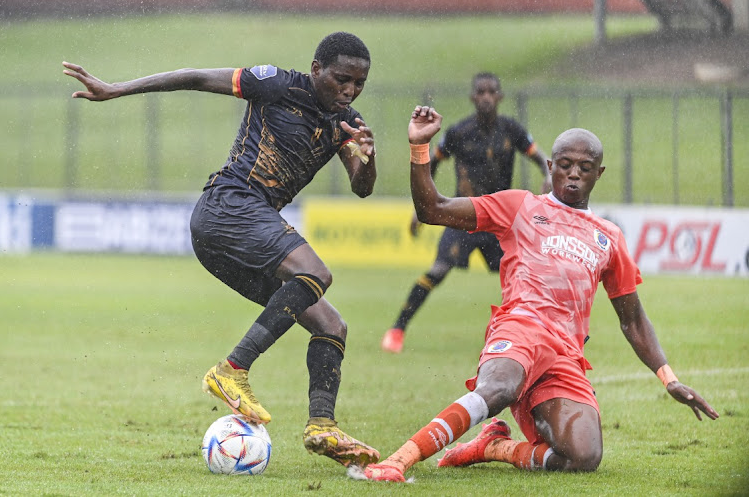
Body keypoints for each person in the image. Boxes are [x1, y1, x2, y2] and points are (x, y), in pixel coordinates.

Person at [63, 31, 381, 468]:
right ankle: (232, 369)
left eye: (358, 83)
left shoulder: (345, 122)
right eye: (341, 79)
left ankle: (322, 427)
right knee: (316, 274)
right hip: (229, 205)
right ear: (315, 70)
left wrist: (369, 156)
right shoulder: (275, 84)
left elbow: (362, 188)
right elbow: (194, 76)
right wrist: (117, 89)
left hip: (238, 232)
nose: (349, 90)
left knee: (331, 324)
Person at [353, 106, 718, 482]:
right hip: (520, 327)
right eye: (564, 164)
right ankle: (398, 461)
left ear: (599, 173)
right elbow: (434, 209)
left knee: (583, 456)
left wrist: (669, 378)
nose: (573, 173)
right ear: (550, 165)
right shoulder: (521, 206)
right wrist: (419, 148)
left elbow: (633, 319)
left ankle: (495, 447)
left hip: (565, 353)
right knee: (499, 387)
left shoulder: (609, 237)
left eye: (584, 167)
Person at [381, 73, 551, 354]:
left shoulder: (511, 130)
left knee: (523, 279)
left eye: (491, 92)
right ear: (473, 97)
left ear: (500, 97)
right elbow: (430, 163)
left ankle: (538, 337)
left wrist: (547, 175)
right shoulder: (459, 132)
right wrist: (419, 207)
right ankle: (396, 330)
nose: (486, 97)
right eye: (480, 92)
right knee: (437, 271)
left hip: (499, 220)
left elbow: (541, 159)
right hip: (464, 215)